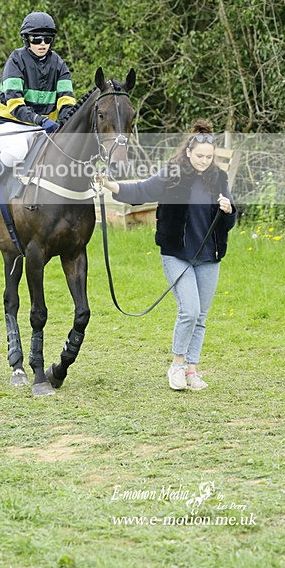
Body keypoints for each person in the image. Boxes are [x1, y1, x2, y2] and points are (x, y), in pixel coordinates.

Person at [99, 119, 237, 391]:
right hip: (177, 254)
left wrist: (229, 209)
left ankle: (192, 370)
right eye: (200, 156)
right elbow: (142, 190)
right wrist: (110, 185)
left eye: (209, 157)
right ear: (188, 152)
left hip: (209, 255)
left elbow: (229, 221)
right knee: (190, 310)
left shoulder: (219, 178)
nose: (204, 161)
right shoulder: (173, 174)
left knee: (201, 316)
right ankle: (176, 365)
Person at [0, 11, 76, 218]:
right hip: (13, 125)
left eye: (47, 39)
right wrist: (40, 120)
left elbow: (66, 98)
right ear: (27, 39)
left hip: (44, 127)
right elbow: (15, 104)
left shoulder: (59, 64)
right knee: (19, 151)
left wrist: (65, 118)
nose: (42, 43)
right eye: (36, 38)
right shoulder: (16, 60)